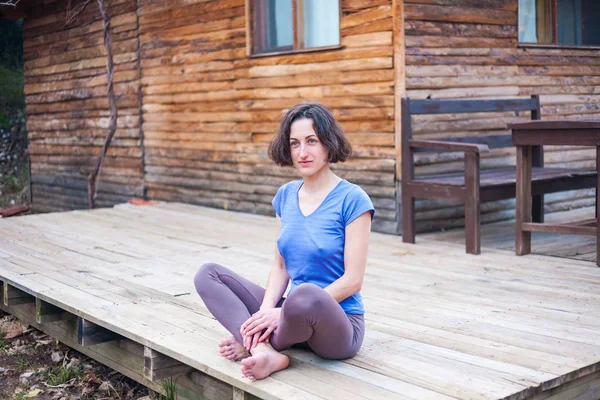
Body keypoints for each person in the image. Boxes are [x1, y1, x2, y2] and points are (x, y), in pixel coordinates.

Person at [194, 102, 374, 381]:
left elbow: (353, 280)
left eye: (311, 141)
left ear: (329, 143)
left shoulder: (353, 199)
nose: (302, 152)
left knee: (305, 295)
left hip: (337, 326)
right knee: (208, 274)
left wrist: (281, 314)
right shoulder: (286, 196)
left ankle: (250, 343)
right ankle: (264, 348)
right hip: (292, 317)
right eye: (294, 143)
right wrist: (265, 314)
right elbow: (281, 267)